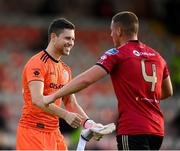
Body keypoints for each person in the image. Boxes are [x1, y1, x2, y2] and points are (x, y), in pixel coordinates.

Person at [43, 11, 173, 150]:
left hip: (133, 129)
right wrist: (144, 96)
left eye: (112, 31)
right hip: (157, 130)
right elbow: (167, 91)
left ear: (118, 31)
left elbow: (86, 80)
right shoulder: (157, 56)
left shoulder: (117, 53)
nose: (111, 35)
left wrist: (55, 95)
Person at [16, 18, 100, 150]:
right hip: (33, 132)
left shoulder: (65, 69)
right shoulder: (37, 63)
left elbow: (70, 103)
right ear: (54, 37)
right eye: (67, 38)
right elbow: (37, 100)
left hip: (54, 133)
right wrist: (66, 115)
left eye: (73, 39)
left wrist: (90, 124)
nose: (71, 43)